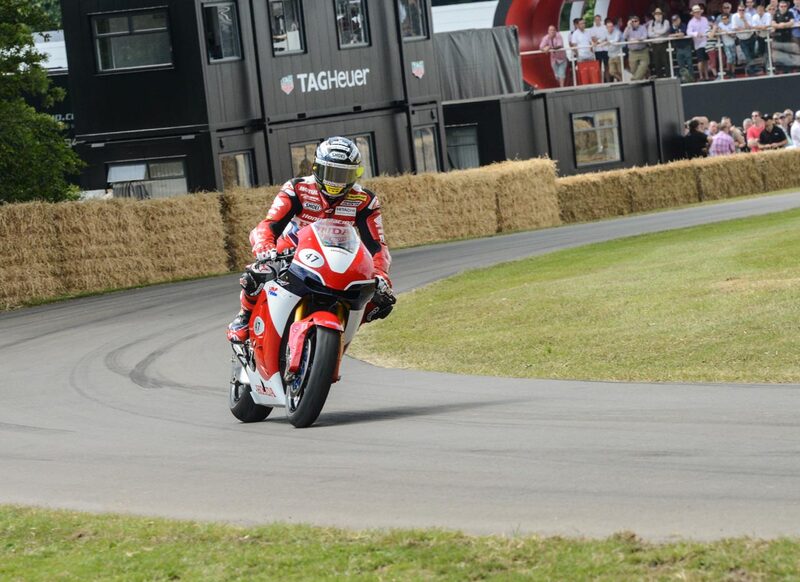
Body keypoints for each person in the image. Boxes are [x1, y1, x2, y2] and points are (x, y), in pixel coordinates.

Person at [227, 136, 395, 343]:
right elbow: (269, 224)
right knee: (258, 273)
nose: (336, 181)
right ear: (317, 168)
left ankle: (339, 335)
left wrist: (380, 274)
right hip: (293, 249)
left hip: (338, 256)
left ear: (356, 174)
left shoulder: (365, 200)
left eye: (343, 174)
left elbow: (377, 245)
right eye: (331, 173)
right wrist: (264, 245)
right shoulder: (297, 188)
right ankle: (244, 316)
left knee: (382, 298)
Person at [687, 4, 712, 80]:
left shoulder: (704, 19)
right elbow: (688, 32)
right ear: (694, 13)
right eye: (696, 12)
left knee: (706, 60)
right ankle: (701, 76)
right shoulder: (691, 22)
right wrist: (697, 34)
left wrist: (708, 33)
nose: (697, 13)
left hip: (706, 42)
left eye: (698, 12)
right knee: (700, 61)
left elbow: (708, 28)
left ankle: (707, 76)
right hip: (698, 44)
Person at [733, 3, 759, 74]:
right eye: (739, 10)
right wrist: (743, 28)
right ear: (737, 10)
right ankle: (752, 70)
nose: (741, 11)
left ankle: (751, 69)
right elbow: (735, 28)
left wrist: (744, 20)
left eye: (743, 10)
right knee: (747, 55)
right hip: (742, 40)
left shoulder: (748, 15)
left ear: (745, 10)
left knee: (752, 54)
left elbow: (749, 27)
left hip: (750, 37)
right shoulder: (734, 16)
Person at [623, 14, 651, 79]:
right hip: (632, 52)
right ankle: (639, 80)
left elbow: (645, 36)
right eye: (632, 21)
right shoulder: (628, 28)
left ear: (639, 22)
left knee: (644, 66)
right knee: (633, 69)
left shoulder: (642, 27)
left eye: (636, 21)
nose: (634, 23)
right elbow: (624, 37)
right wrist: (628, 27)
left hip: (643, 50)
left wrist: (637, 39)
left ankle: (634, 79)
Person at [671, 14, 695, 81]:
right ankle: (685, 79)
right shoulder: (672, 27)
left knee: (689, 63)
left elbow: (683, 34)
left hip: (686, 47)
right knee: (681, 65)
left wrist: (675, 35)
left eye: (676, 20)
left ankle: (691, 78)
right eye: (673, 21)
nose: (675, 22)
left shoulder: (683, 25)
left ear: (679, 20)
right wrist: (677, 35)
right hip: (678, 48)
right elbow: (669, 35)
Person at [648, 8, 672, 76]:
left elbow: (664, 31)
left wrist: (654, 32)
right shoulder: (651, 23)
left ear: (662, 15)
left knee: (666, 61)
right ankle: (659, 77)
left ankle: (668, 76)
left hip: (663, 44)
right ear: (654, 15)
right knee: (657, 62)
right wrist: (660, 34)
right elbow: (649, 34)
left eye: (659, 14)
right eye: (656, 14)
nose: (658, 15)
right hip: (655, 45)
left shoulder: (666, 21)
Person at [590, 14, 610, 80]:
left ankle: (607, 80)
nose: (597, 21)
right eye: (596, 20)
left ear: (601, 20)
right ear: (594, 20)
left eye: (598, 19)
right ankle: (599, 81)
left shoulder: (605, 27)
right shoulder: (592, 29)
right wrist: (601, 40)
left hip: (605, 49)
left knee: (607, 66)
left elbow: (607, 37)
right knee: (598, 66)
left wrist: (599, 40)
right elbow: (593, 38)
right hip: (598, 50)